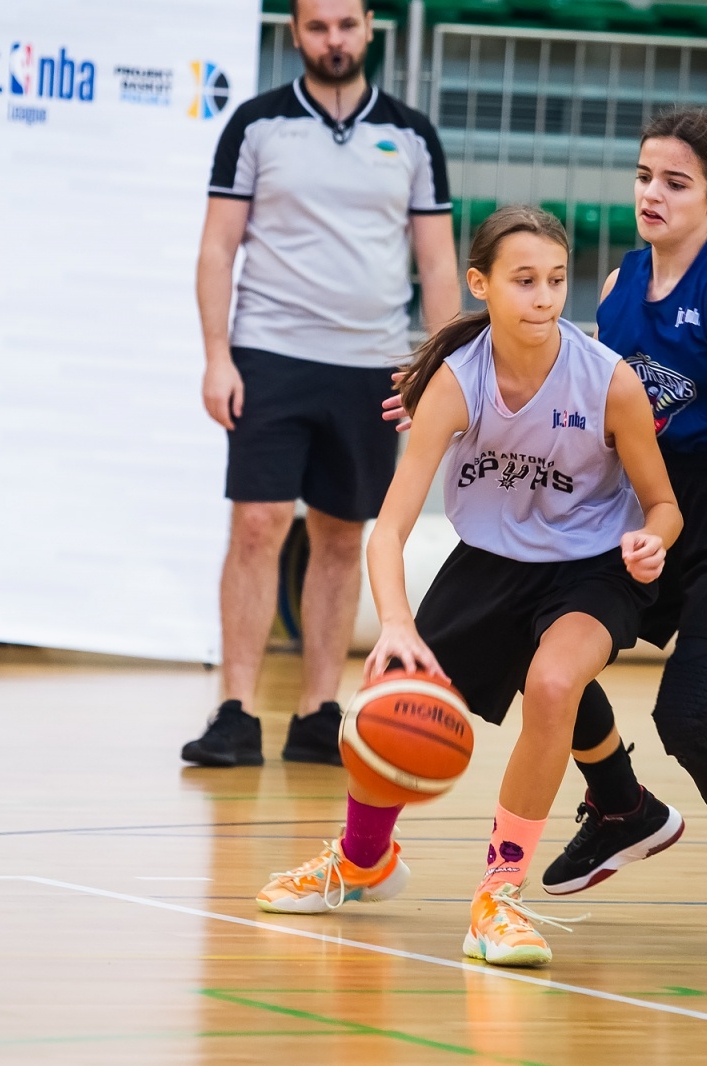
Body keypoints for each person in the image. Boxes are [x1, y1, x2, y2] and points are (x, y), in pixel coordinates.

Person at [254, 206, 682, 968]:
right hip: (487, 564)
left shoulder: (608, 381)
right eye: (524, 281)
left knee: (553, 684)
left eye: (555, 279)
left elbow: (664, 505)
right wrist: (394, 627)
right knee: (389, 700)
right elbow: (386, 530)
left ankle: (498, 897)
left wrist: (654, 541)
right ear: (480, 284)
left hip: (592, 566)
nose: (545, 297)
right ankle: (363, 863)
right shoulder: (456, 382)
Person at [536, 106, 707, 962]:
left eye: (677, 183)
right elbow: (589, 397)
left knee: (687, 717)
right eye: (644, 176)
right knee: (544, 647)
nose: (652, 194)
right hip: (652, 509)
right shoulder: (621, 287)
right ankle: (622, 807)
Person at [183, 0, 461, 768]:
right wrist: (217, 355)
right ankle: (235, 712)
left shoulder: (412, 135)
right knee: (258, 525)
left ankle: (317, 712)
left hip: (373, 364)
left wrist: (439, 368)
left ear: (369, 27)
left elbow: (437, 264)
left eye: (345, 25)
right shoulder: (254, 125)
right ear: (296, 32)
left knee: (343, 538)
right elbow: (217, 249)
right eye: (316, 26)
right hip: (270, 354)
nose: (332, 40)